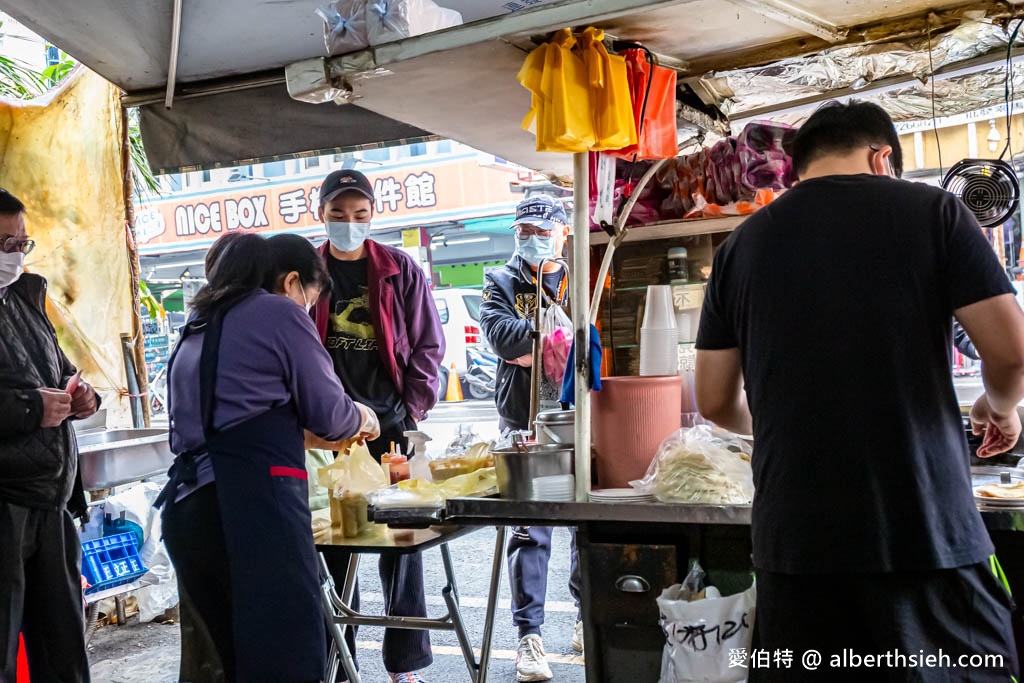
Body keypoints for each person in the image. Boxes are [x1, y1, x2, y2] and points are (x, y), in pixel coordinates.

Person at [694, 101, 1023, 682]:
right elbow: (1013, 354)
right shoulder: (935, 212)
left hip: (795, 549)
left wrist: (789, 418)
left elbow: (716, 401)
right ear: (882, 157)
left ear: (798, 170)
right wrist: (997, 408)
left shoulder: (739, 248)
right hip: (925, 534)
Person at [159, 232, 379, 683]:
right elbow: (332, 416)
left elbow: (230, 420)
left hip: (189, 512)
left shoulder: (198, 324)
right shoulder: (277, 312)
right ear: (291, 282)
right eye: (309, 301)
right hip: (252, 509)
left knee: (233, 661)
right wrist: (364, 416)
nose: (305, 310)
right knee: (286, 657)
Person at [310, 169, 445, 683]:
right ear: (320, 213)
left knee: (402, 540)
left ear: (373, 215)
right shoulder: (306, 270)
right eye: (339, 215)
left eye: (360, 215)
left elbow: (428, 345)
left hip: (389, 423)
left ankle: (405, 663)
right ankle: (339, 664)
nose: (349, 224)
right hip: (329, 430)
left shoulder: (398, 269)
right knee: (336, 541)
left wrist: (409, 407)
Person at [479, 195, 581, 682]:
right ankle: (529, 638)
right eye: (525, 231)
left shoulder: (582, 272)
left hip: (581, 418)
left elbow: (594, 335)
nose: (534, 239)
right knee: (530, 531)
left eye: (543, 231)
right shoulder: (501, 280)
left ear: (562, 232)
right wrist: (556, 336)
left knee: (590, 523)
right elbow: (503, 338)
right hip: (523, 419)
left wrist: (542, 343)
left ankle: (587, 617)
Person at [0, 189, 99, 683]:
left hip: (52, 502)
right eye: (3, 244)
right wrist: (30, 407)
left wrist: (84, 397)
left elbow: (65, 372)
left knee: (63, 650)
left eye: (21, 243)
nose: (14, 255)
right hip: (6, 504)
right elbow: (29, 400)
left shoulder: (26, 297)